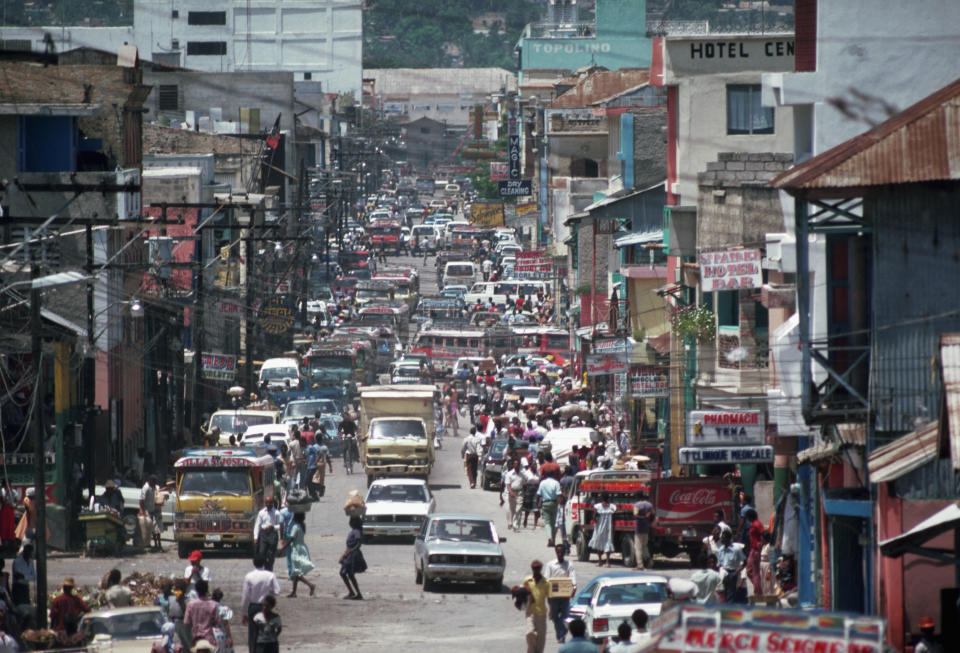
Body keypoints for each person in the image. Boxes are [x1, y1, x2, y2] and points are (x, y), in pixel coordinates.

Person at [240, 556, 281, 653]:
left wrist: (243, 612)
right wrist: (268, 593)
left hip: (254, 606)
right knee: (267, 632)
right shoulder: (270, 575)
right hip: (266, 606)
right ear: (264, 562)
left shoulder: (249, 576)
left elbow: (245, 596)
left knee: (253, 633)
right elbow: (277, 591)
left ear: (253, 563)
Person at [544, 544, 576, 644]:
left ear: (564, 552)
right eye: (558, 552)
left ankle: (561, 635)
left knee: (565, 616)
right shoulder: (550, 565)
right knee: (554, 616)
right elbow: (546, 579)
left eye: (562, 552)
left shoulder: (569, 564)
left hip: (565, 595)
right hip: (553, 596)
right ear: (555, 552)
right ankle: (560, 632)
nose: (560, 554)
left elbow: (572, 578)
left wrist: (574, 588)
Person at [279, 512, 315, 598]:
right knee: (295, 571)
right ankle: (294, 592)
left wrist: (282, 548)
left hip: (296, 549)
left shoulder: (295, 527)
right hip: (302, 547)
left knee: (297, 572)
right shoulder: (303, 525)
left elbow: (291, 539)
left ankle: (310, 585)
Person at [522, 560, 550, 653]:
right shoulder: (527, 580)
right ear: (532, 569)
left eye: (538, 568)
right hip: (530, 612)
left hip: (541, 613)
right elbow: (522, 594)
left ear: (540, 569)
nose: (536, 570)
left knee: (541, 639)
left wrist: (552, 611)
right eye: (534, 569)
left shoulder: (546, 582)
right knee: (530, 633)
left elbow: (549, 597)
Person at [183, 579, 221, 646]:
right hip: (210, 637)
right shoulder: (213, 604)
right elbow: (217, 621)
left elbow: (187, 622)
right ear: (206, 590)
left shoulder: (190, 604)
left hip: (196, 637)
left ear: (196, 590)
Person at [338, 515, 367, 600]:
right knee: (348, 574)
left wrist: (349, 552)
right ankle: (354, 593)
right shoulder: (354, 531)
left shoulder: (356, 532)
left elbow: (358, 544)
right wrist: (344, 555)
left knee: (345, 573)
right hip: (350, 555)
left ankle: (354, 593)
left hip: (353, 555)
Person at [716, 529, 746, 603]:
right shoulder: (720, 549)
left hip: (732, 573)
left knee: (731, 594)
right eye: (721, 537)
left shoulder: (736, 549)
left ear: (728, 539)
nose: (722, 539)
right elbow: (719, 563)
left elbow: (745, 561)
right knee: (722, 595)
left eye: (723, 537)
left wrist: (737, 571)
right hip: (722, 573)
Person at [254, 496, 282, 572]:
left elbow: (280, 525)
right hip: (263, 534)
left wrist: (273, 527)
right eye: (267, 503)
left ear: (273, 503)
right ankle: (261, 569)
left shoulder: (276, 513)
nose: (269, 504)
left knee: (271, 555)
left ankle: (269, 569)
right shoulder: (261, 513)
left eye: (270, 503)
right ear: (265, 503)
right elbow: (257, 525)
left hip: (272, 534)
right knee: (261, 552)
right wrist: (256, 537)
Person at [588, 493, 617, 567]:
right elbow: (613, 519)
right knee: (608, 541)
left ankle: (600, 561)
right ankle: (607, 562)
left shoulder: (597, 506)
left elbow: (594, 517)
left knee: (598, 542)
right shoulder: (612, 507)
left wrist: (595, 521)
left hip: (599, 527)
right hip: (608, 527)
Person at [537, 472, 562, 548]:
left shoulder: (542, 483)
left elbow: (539, 494)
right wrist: (559, 504)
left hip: (545, 504)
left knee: (547, 523)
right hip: (554, 503)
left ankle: (550, 539)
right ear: (553, 475)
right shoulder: (556, 483)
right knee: (554, 523)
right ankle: (553, 540)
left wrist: (538, 504)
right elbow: (558, 494)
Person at [632, 490, 654, 570]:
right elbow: (652, 514)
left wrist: (642, 517)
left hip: (639, 528)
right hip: (646, 527)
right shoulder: (649, 505)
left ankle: (640, 565)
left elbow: (635, 514)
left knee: (638, 547)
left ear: (637, 497)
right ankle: (649, 560)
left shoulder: (636, 505)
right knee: (644, 546)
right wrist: (648, 520)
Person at [744, 508, 764, 595]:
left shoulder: (757, 524)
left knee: (755, 571)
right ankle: (758, 587)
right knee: (749, 570)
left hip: (756, 550)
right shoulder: (753, 524)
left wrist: (761, 543)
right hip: (752, 549)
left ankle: (758, 591)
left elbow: (763, 534)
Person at [503, 458, 524, 532]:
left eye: (518, 464)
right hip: (511, 493)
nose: (516, 465)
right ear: (513, 465)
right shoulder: (509, 474)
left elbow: (524, 483)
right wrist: (511, 492)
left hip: (520, 493)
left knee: (518, 509)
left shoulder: (522, 474)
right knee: (511, 509)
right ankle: (510, 523)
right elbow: (508, 484)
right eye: (515, 464)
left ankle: (515, 526)